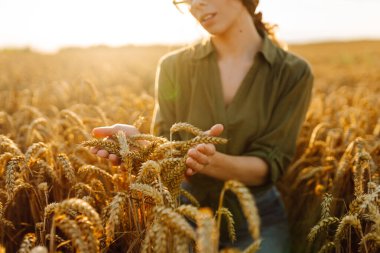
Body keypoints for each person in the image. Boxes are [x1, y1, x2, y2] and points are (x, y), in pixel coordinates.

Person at [91, 0, 313, 252]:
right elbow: (166, 149)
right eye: (186, 0)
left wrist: (209, 161)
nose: (196, 4)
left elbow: (268, 166)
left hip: (257, 220)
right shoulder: (173, 67)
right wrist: (141, 145)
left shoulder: (293, 72)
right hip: (183, 212)